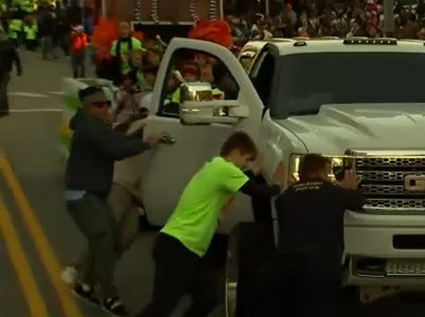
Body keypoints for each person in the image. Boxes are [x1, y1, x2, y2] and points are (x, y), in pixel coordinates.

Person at [136, 131, 286, 317]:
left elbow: (242, 180)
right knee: (162, 306)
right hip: (178, 246)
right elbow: (260, 192)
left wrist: (253, 172)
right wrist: (278, 184)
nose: (245, 165)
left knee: (209, 297)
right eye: (246, 159)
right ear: (236, 152)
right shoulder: (224, 169)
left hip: (191, 249)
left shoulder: (216, 168)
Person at [64, 85, 162, 316]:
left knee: (121, 237)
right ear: (87, 109)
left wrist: (142, 134)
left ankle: (85, 283)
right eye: (98, 105)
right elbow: (116, 148)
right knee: (104, 240)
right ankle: (109, 297)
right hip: (83, 196)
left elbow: (119, 139)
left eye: (106, 104)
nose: (105, 108)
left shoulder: (98, 127)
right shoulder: (90, 128)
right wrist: (147, 143)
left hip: (95, 195)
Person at [61, 116, 150, 288]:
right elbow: (120, 141)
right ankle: (77, 268)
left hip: (137, 194)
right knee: (106, 232)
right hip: (122, 183)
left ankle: (91, 277)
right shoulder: (145, 125)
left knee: (127, 235)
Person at [274, 154, 365, 317]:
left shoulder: (284, 197)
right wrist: (349, 188)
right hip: (324, 265)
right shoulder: (334, 193)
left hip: (290, 263)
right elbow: (358, 201)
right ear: (323, 172)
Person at [0, 21, 22, 117]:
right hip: (6, 69)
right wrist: (19, 68)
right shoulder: (9, 45)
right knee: (3, 89)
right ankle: (4, 109)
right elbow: (16, 57)